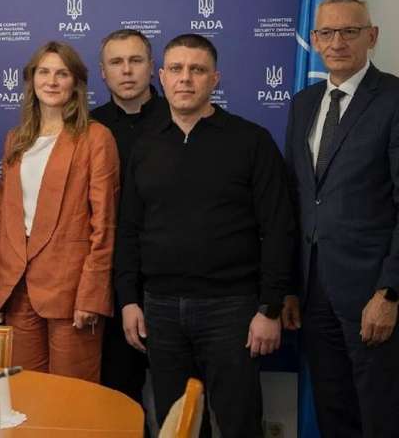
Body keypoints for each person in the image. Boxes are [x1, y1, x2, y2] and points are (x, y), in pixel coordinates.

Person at [114, 34, 294, 438]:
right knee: (179, 426)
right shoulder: (145, 146)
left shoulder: (251, 141)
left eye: (197, 70)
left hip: (232, 309)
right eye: (176, 69)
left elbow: (278, 229)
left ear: (215, 79)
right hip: (160, 311)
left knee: (239, 424)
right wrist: (128, 300)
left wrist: (269, 308)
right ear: (162, 76)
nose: (185, 78)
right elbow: (127, 230)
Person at [282, 0, 399, 438]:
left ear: (372, 36)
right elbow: (298, 199)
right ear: (313, 40)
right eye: (327, 32)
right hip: (314, 296)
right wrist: (290, 287)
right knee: (334, 415)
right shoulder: (304, 103)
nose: (337, 42)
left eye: (349, 31)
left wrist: (389, 292)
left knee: (381, 417)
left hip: (371, 296)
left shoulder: (392, 99)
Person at [0, 41, 118, 381]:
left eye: (62, 73)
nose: (52, 81)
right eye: (44, 72)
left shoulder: (95, 138)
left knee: (72, 397)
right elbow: (3, 220)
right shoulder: (16, 139)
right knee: (27, 393)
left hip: (71, 292)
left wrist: (92, 295)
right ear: (32, 80)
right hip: (18, 290)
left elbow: (104, 224)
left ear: (76, 82)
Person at [90, 29, 165, 415]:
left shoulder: (180, 118)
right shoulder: (88, 128)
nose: (127, 70)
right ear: (103, 72)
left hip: (170, 278)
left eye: (136, 61)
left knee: (181, 398)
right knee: (119, 398)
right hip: (110, 280)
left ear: (152, 67)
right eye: (116, 63)